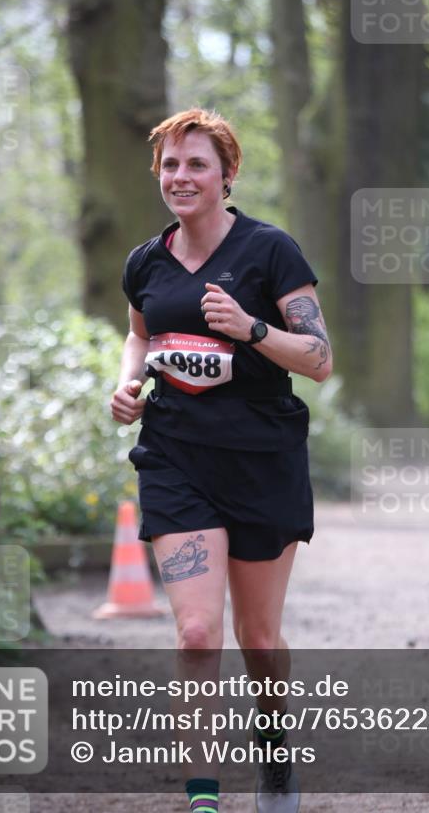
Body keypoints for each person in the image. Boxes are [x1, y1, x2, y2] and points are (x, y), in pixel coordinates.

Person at [110, 108, 332, 813]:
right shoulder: (144, 262)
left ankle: (274, 751)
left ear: (227, 174)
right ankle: (202, 799)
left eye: (196, 164)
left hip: (262, 461)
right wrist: (128, 383)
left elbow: (319, 359)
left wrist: (252, 327)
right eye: (170, 165)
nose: (181, 176)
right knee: (198, 633)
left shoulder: (270, 251)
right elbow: (139, 334)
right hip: (175, 460)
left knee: (258, 639)